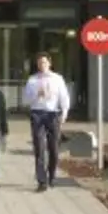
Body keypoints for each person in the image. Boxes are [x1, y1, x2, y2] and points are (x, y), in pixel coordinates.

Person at [22, 53, 72, 190]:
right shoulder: (32, 80)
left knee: (54, 149)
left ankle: (52, 176)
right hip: (37, 114)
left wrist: (65, 112)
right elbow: (25, 100)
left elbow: (64, 96)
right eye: (39, 63)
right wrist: (35, 95)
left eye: (44, 62)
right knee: (39, 147)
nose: (42, 65)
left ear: (49, 63)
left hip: (53, 114)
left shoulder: (57, 79)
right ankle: (41, 181)